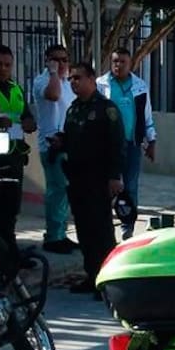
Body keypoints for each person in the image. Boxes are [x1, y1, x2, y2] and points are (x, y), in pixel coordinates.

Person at [51, 62, 125, 299]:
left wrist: (114, 176)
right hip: (77, 178)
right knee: (84, 230)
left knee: (101, 231)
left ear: (92, 80)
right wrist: (60, 141)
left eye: (78, 78)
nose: (73, 82)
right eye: (71, 78)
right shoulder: (74, 109)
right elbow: (72, 138)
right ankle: (92, 275)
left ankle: (108, 281)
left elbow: (116, 144)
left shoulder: (106, 109)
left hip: (98, 178)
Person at [0, 44, 36, 273]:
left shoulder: (16, 89)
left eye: (7, 65)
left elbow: (26, 116)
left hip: (14, 156)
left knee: (11, 211)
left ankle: (11, 256)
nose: (3, 69)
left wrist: (29, 123)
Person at [96, 47, 156, 240]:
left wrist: (151, 140)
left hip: (131, 144)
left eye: (123, 61)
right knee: (106, 186)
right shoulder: (101, 85)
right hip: (106, 146)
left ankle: (127, 227)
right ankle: (104, 227)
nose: (119, 65)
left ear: (130, 64)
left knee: (130, 186)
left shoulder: (140, 86)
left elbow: (146, 115)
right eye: (115, 61)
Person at [31, 44, 76, 254]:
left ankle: (61, 233)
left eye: (65, 59)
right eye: (56, 60)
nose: (61, 64)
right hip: (51, 145)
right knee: (57, 190)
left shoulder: (67, 83)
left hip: (67, 143)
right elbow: (54, 96)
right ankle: (53, 236)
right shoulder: (43, 80)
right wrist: (52, 72)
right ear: (48, 60)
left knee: (65, 191)